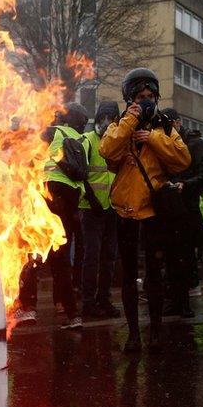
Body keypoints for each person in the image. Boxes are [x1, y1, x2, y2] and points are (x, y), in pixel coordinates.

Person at [100, 68, 192, 353]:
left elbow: (182, 160)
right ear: (129, 98)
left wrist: (151, 137)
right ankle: (133, 335)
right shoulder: (120, 123)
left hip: (154, 213)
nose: (147, 101)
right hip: (126, 211)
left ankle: (155, 331)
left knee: (154, 274)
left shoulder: (164, 126)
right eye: (140, 97)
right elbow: (107, 149)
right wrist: (131, 120)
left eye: (151, 96)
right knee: (128, 276)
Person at [17, 103, 89, 329]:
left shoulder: (54, 131)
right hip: (70, 198)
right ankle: (71, 313)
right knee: (61, 258)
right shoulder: (83, 139)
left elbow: (28, 150)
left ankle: (28, 309)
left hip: (47, 192)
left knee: (33, 251)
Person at [158, 108, 203, 319]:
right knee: (171, 257)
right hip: (170, 208)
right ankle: (175, 300)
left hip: (187, 208)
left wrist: (185, 185)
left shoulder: (195, 144)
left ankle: (184, 301)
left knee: (186, 256)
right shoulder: (165, 143)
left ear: (179, 122)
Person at [79, 102, 121, 320]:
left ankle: (104, 300)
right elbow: (80, 173)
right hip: (91, 209)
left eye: (112, 117)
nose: (108, 121)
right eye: (104, 117)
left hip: (111, 208)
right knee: (92, 257)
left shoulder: (115, 143)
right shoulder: (87, 141)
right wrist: (91, 197)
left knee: (108, 257)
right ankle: (88, 303)